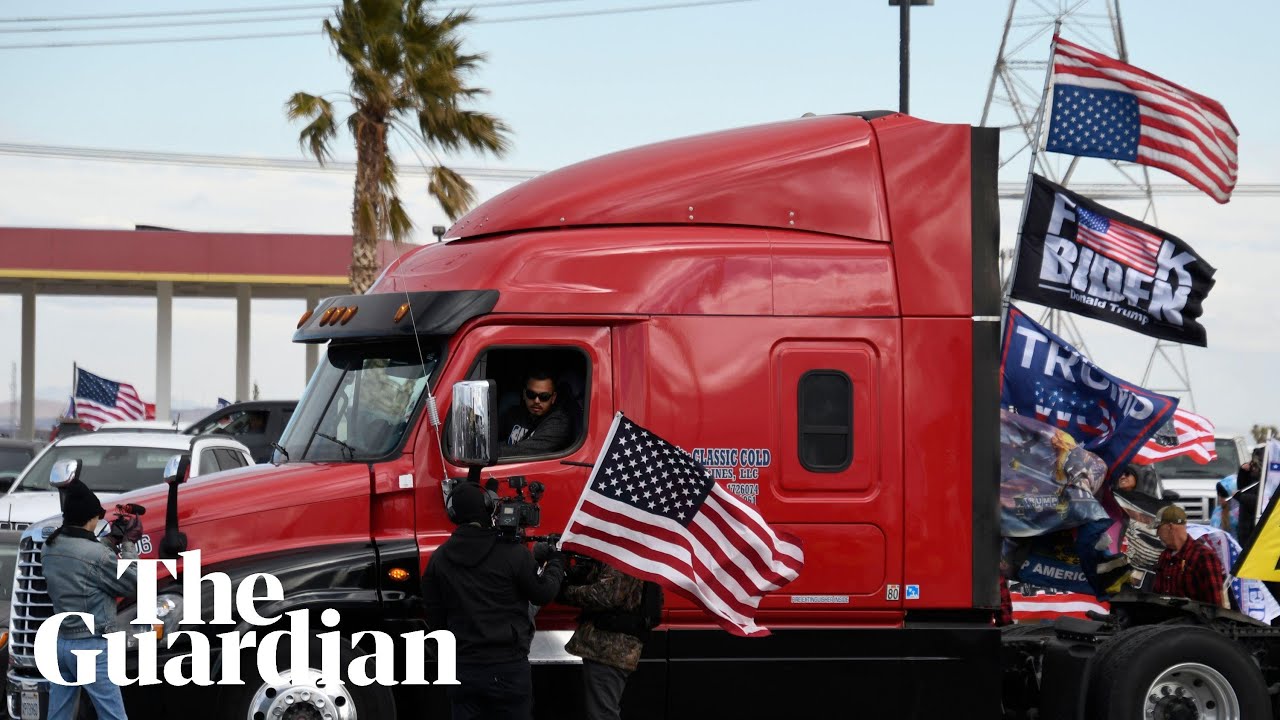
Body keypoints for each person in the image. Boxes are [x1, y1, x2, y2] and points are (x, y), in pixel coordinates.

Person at [422, 481, 566, 720]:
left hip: (463, 669)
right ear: (488, 508)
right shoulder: (512, 553)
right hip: (507, 667)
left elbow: (435, 620)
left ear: (453, 515)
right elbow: (542, 593)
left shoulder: (439, 560)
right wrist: (556, 563)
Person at [41, 480, 142, 720]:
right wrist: (128, 544)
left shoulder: (50, 547)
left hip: (61, 644)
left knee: (59, 716)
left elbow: (83, 559)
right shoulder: (97, 555)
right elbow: (135, 582)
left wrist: (110, 541)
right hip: (90, 648)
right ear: (89, 518)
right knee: (113, 716)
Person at [557, 560, 661, 720]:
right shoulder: (634, 554)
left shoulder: (622, 555)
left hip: (608, 647)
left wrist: (565, 592)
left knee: (602, 714)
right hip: (613, 646)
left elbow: (605, 595)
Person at [1152, 504, 1226, 607]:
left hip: (1194, 622)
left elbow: (1215, 606)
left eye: (1158, 528)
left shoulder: (1204, 557)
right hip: (1165, 621)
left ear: (1170, 527)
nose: (1157, 534)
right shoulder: (1164, 556)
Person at [498, 369, 573, 458]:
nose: (536, 401)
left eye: (544, 396)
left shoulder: (559, 423)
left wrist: (490, 454)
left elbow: (525, 452)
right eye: (531, 394)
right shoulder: (513, 413)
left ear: (553, 398)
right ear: (524, 394)